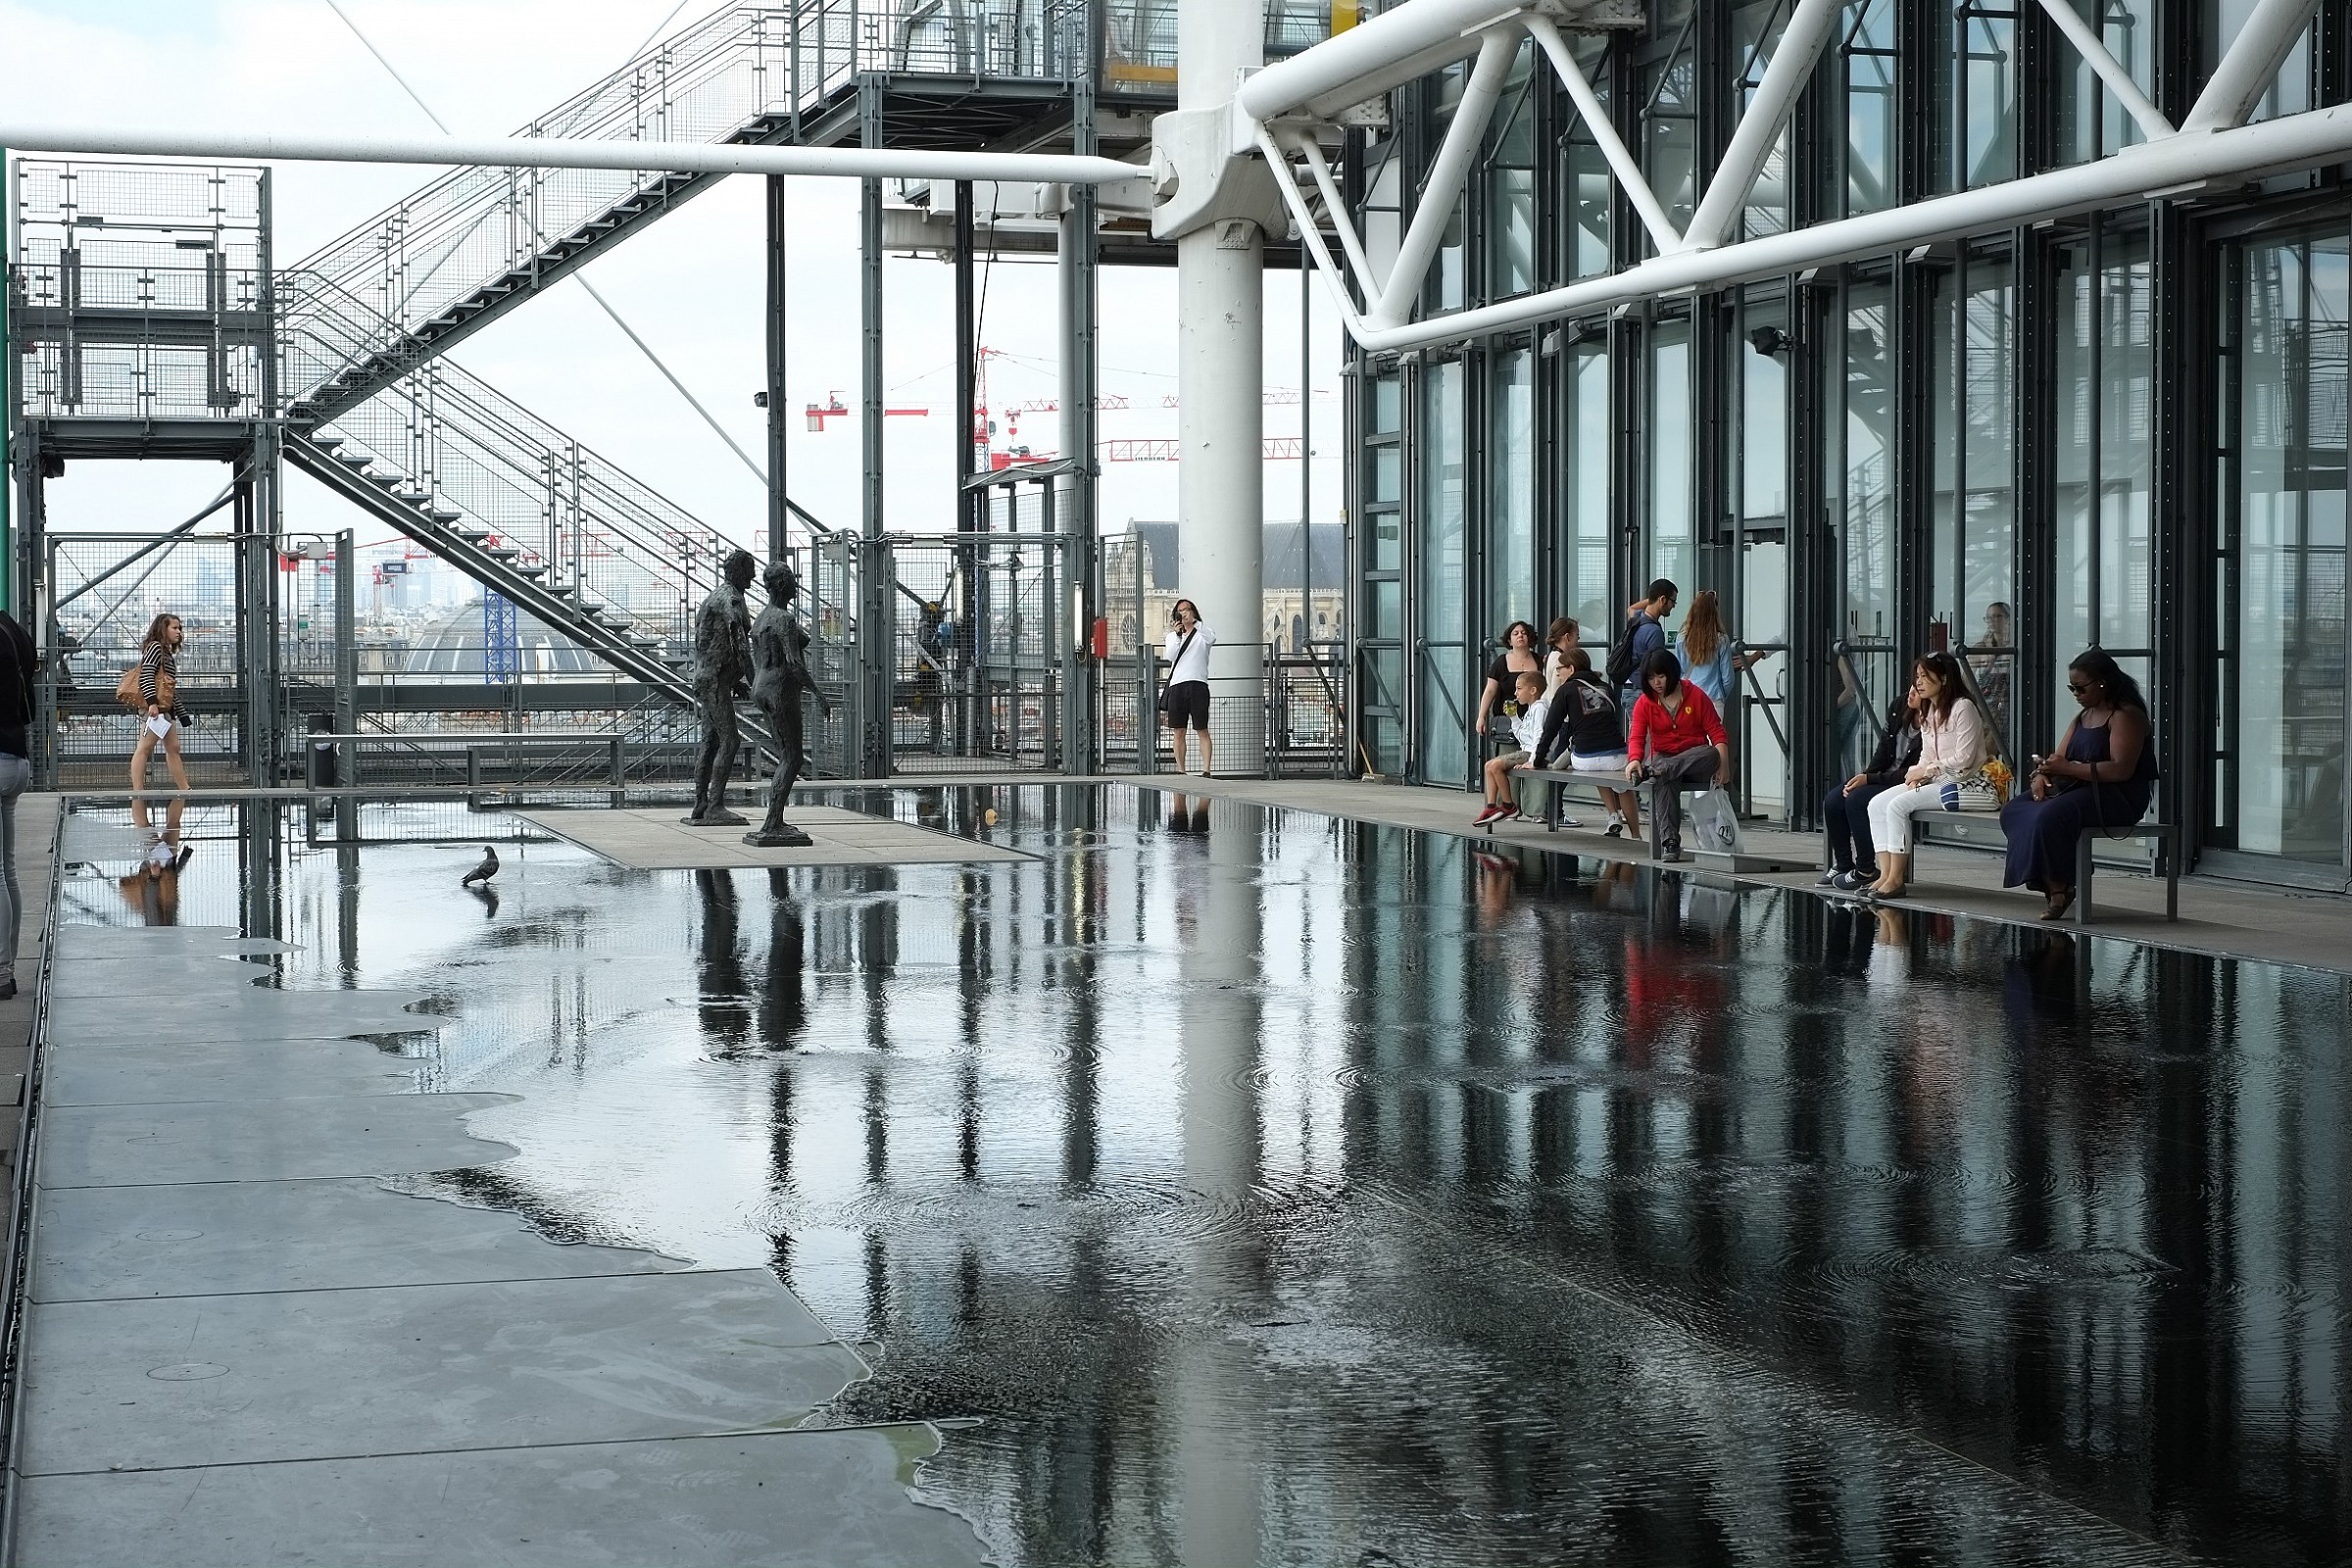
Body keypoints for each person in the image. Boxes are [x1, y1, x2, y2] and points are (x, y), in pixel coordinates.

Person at [1999, 649, 2159, 921]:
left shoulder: (2125, 715)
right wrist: (2041, 776)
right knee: (2016, 810)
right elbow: (2058, 759)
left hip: (2117, 795)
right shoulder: (2083, 717)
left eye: (2080, 688)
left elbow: (2121, 769)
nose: (2075, 693)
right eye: (2071, 687)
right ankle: (2055, 883)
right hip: (2079, 789)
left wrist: (2068, 769)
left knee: (2050, 816)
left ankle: (2061, 886)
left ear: (2102, 683)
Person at [1862, 653, 1987, 897]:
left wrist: (1927, 771)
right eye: (1917, 676)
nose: (1918, 682)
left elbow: (1965, 758)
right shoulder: (1929, 711)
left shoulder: (1963, 707)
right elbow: (1927, 755)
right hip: (1936, 780)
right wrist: (1917, 773)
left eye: (1924, 676)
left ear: (1943, 678)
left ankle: (1897, 880)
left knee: (1897, 806)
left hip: (1961, 781)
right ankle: (1885, 874)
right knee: (1876, 804)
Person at [1623, 647, 1729, 863]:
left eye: (1661, 676)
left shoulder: (1696, 696)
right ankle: (1670, 842)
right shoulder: (1645, 702)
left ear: (1672, 673)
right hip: (1664, 758)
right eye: (1651, 678)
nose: (1657, 683)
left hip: (1696, 760)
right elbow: (1637, 737)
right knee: (1665, 780)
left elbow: (1716, 732)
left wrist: (1724, 764)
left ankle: (1659, 770)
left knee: (1710, 753)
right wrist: (1634, 760)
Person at [1819, 685, 1923, 892]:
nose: (1912, 690)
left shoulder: (1935, 717)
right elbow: (1884, 749)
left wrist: (1870, 779)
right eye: (1914, 681)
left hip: (1907, 782)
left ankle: (1865, 869)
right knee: (1833, 800)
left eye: (1921, 684)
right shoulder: (1900, 705)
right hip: (1883, 777)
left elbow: (1916, 770)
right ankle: (1843, 865)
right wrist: (1863, 777)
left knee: (1857, 801)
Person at [1530, 645, 1641, 838]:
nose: (1557, 675)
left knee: (1594, 763)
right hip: (1616, 756)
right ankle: (1636, 835)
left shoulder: (1566, 690)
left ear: (1571, 669)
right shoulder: (1605, 687)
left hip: (1584, 759)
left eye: (1559, 669)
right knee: (1620, 784)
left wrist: (1538, 760)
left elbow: (1550, 728)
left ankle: (1614, 815)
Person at [0, 610, 34, 1000]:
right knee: (7, 870)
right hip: (16, 760)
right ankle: (6, 969)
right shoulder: (11, 628)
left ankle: (1, 971)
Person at [128, 612, 192, 808]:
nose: (179, 632)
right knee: (145, 748)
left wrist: (182, 715)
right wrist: (152, 703)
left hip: (164, 710)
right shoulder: (156, 648)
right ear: (162, 629)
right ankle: (138, 791)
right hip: (157, 709)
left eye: (179, 628)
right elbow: (147, 675)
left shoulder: (164, 652)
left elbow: (168, 688)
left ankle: (185, 788)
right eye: (175, 628)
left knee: (173, 748)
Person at [1475, 669, 1550, 826]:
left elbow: (1539, 735)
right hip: (1526, 751)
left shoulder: (1540, 708)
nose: (1515, 693)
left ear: (1533, 690)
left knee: (1495, 766)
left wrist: (1533, 760)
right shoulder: (1532, 709)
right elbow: (1522, 735)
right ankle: (1491, 806)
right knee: (1489, 765)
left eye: (1519, 688)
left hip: (1530, 753)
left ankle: (1508, 805)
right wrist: (1514, 718)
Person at [1673, 589, 1769, 706]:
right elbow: (1728, 678)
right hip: (1713, 698)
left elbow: (1679, 671)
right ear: (1715, 612)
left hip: (1688, 698)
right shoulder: (1721, 639)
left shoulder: (1682, 638)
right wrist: (1720, 697)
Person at [1162, 598, 1215, 776]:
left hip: (1198, 684)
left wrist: (1195, 623)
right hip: (1178, 685)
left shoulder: (1203, 633)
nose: (1184, 613)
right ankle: (1181, 769)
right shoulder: (1172, 637)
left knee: (1202, 728)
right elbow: (1170, 656)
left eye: (1187, 609)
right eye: (1181, 611)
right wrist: (1178, 635)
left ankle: (1206, 769)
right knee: (1179, 730)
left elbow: (1212, 638)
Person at [1607, 579, 1678, 710]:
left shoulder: (1638, 617)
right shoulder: (1654, 632)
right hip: (1642, 692)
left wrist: (1653, 599)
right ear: (1662, 599)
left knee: (1635, 730)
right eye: (1672, 601)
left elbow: (1631, 608)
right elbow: (1657, 665)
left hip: (1629, 688)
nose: (1673, 606)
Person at [1474, 621, 1543, 748]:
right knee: (1506, 761)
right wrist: (1481, 716)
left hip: (1535, 721)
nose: (1520, 636)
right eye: (1515, 633)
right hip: (1508, 723)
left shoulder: (1539, 661)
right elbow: (1490, 691)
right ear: (1509, 641)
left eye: (1524, 633)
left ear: (1530, 638)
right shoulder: (1501, 662)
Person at [1541, 616, 1580, 696]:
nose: (1578, 639)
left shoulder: (1552, 655)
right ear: (1567, 637)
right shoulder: (1559, 660)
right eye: (1577, 635)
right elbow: (1557, 691)